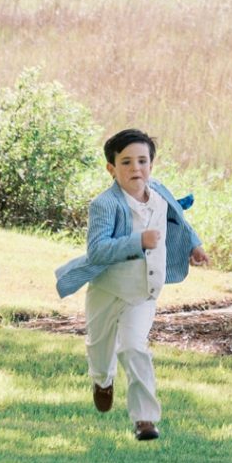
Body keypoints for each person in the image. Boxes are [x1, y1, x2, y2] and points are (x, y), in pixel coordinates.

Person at [54, 126, 206, 441]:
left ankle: (145, 420)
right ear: (111, 169)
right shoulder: (105, 205)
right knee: (99, 347)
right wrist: (138, 241)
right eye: (125, 162)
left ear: (151, 164)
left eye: (142, 161)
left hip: (144, 292)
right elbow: (97, 250)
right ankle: (102, 380)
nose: (135, 168)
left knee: (134, 347)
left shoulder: (160, 193)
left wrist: (195, 245)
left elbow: (180, 217)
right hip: (109, 288)